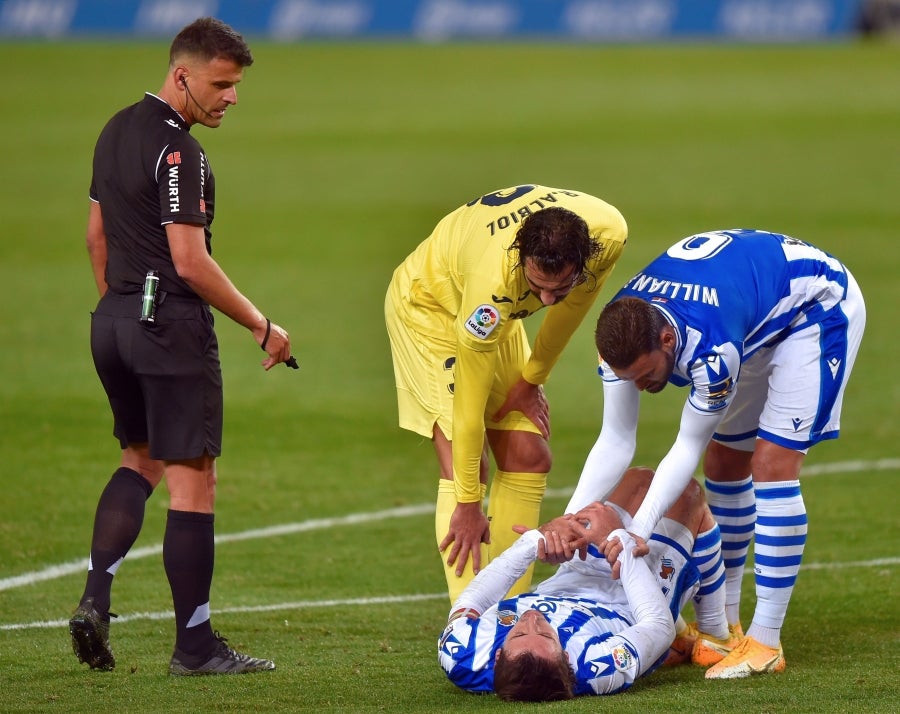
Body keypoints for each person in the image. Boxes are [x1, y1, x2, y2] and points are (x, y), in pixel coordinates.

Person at [69, 17, 294, 675]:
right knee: (194, 478)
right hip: (167, 329)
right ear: (182, 75)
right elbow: (190, 262)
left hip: (111, 321)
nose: (230, 98)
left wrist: (123, 305)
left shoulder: (114, 130)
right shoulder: (181, 153)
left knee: (140, 459)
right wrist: (261, 324)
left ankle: (94, 600)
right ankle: (195, 648)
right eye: (221, 85)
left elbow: (94, 237)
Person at [569, 228, 865, 678]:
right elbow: (615, 439)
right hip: (752, 314)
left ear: (667, 340)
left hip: (813, 309)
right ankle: (726, 627)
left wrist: (639, 529)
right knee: (725, 463)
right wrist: (571, 521)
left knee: (771, 463)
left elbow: (687, 442)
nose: (641, 388)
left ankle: (766, 642)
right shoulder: (620, 339)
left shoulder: (712, 351)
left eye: (647, 375)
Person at [385, 185, 628, 602]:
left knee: (529, 456)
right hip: (431, 311)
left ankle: (510, 614)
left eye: (559, 287)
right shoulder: (490, 288)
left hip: (502, 312)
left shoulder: (608, 233)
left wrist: (532, 380)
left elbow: (573, 309)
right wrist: (467, 504)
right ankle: (468, 621)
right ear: (520, 257)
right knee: (469, 470)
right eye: (538, 287)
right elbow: (469, 407)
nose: (548, 299)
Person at [438, 467, 732, 700]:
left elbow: (471, 600)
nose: (532, 620)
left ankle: (690, 638)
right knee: (687, 492)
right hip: (631, 596)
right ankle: (716, 635)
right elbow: (657, 626)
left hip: (570, 578)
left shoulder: (463, 654)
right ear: (566, 656)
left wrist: (537, 540)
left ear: (499, 655)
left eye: (517, 635)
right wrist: (616, 540)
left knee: (641, 479)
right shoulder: (598, 667)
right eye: (545, 634)